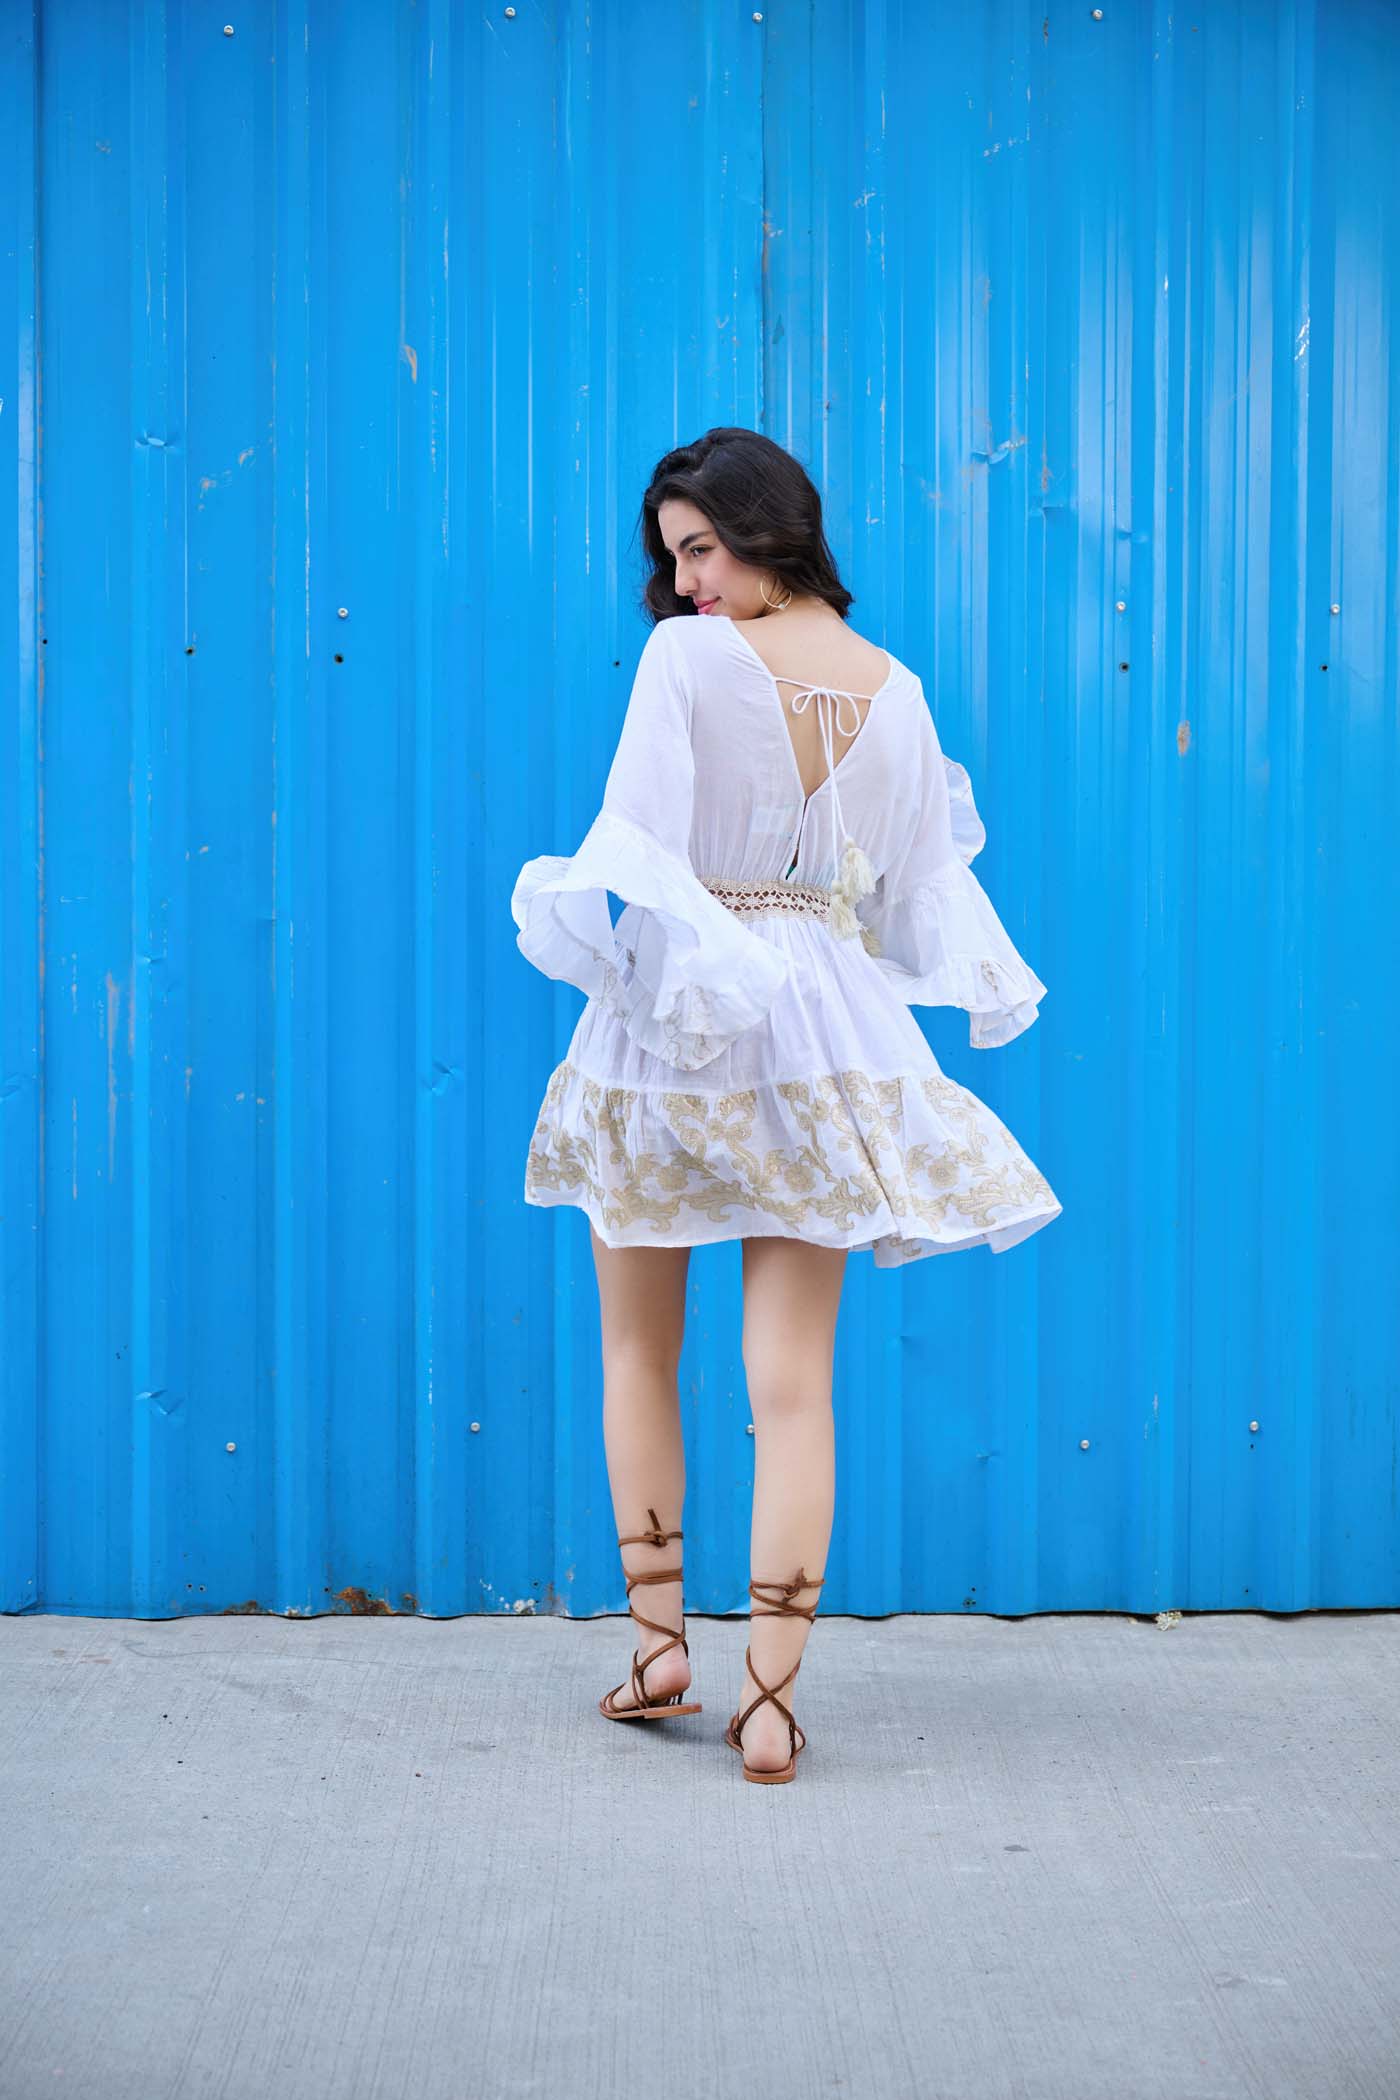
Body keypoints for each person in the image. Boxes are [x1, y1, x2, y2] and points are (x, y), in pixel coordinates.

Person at [511, 427, 1061, 1783]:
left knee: (637, 1349)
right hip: (825, 1032)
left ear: (768, 526)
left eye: (701, 547)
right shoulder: (899, 691)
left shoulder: (687, 660)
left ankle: (660, 1650)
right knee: (795, 1381)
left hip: (682, 1021)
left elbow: (639, 845)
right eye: (673, 558)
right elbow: (908, 900)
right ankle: (768, 1705)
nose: (686, 582)